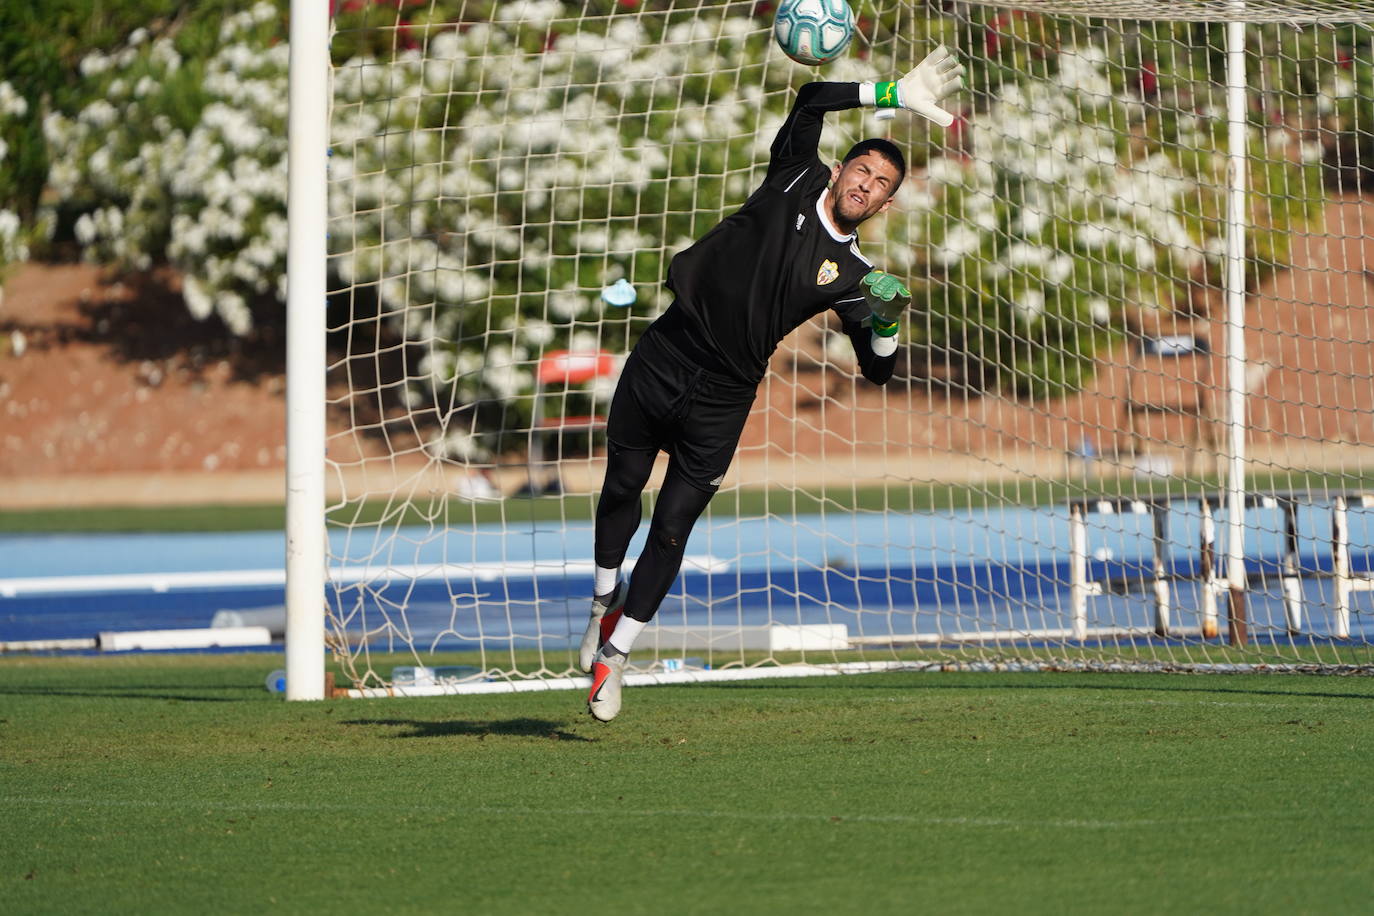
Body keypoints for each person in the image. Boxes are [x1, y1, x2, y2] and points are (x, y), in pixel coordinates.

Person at [581, 47, 965, 721]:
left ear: (887, 202)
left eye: (881, 184)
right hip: (665, 353)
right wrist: (891, 91)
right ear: (841, 167)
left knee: (672, 530)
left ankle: (616, 659)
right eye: (863, 169)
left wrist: (886, 323)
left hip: (724, 396)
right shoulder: (793, 176)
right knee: (620, 486)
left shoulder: (855, 277)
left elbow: (878, 372)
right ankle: (600, 601)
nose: (866, 185)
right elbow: (812, 97)